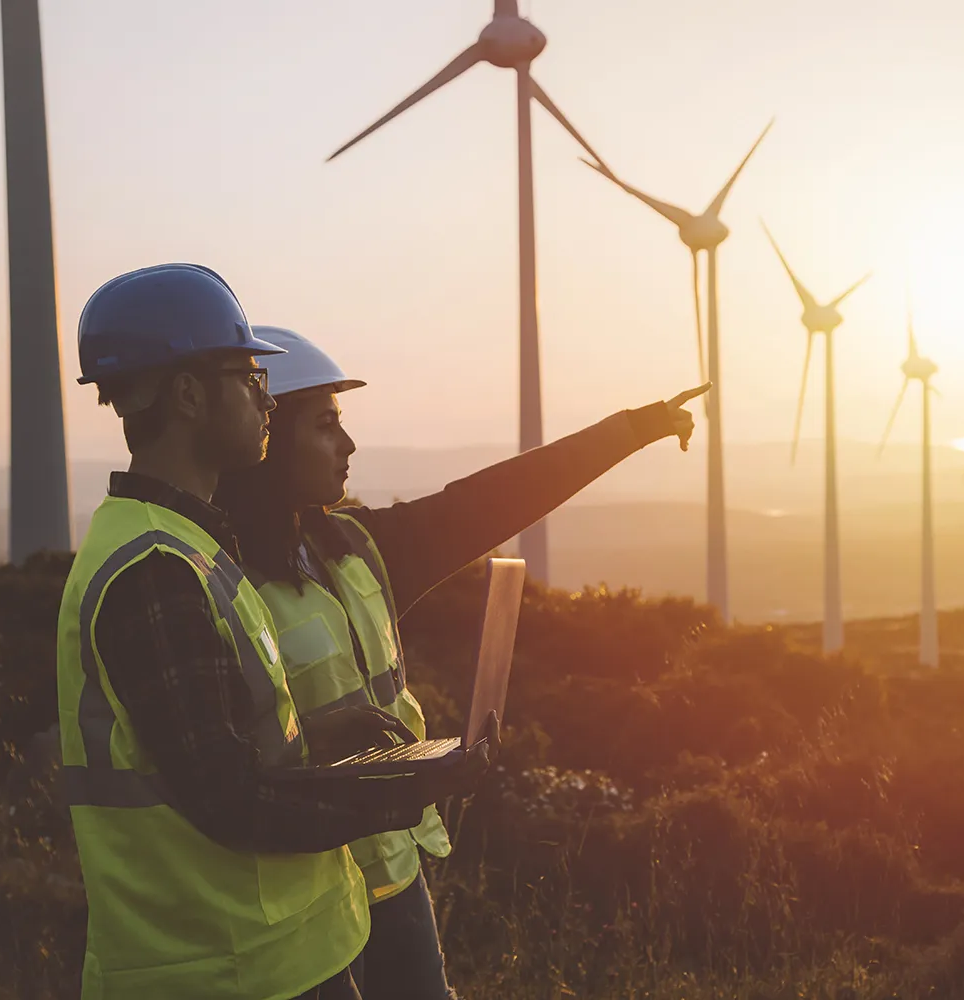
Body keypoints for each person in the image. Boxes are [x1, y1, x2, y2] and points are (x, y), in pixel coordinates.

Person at [212, 326, 709, 999]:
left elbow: (493, 498)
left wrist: (631, 429)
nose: (348, 444)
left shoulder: (357, 549)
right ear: (269, 440)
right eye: (326, 425)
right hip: (300, 892)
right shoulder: (218, 581)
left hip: (391, 869)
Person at [56, 264, 492, 1000]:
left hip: (278, 957)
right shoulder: (153, 572)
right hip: (224, 971)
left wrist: (322, 737)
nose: (265, 395)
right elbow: (230, 800)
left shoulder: (191, 548)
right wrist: (406, 789)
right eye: (248, 373)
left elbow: (222, 750)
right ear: (189, 394)